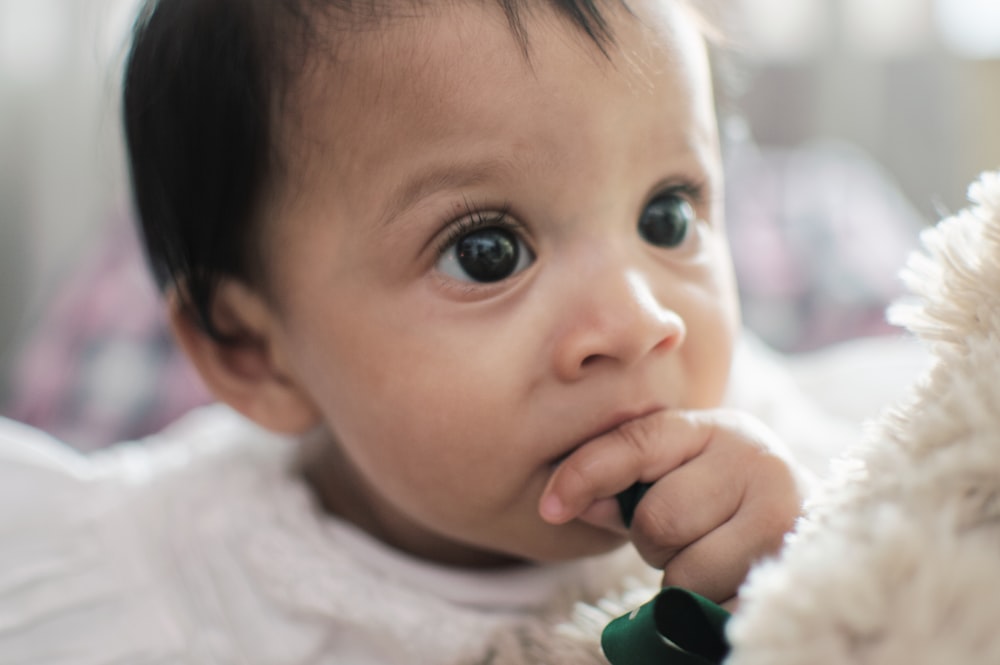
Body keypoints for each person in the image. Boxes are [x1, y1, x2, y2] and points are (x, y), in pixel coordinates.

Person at [0, 0, 855, 662]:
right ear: (253, 351)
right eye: (488, 253)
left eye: (667, 215)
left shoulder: (779, 474)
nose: (640, 322)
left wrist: (801, 583)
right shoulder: (149, 587)